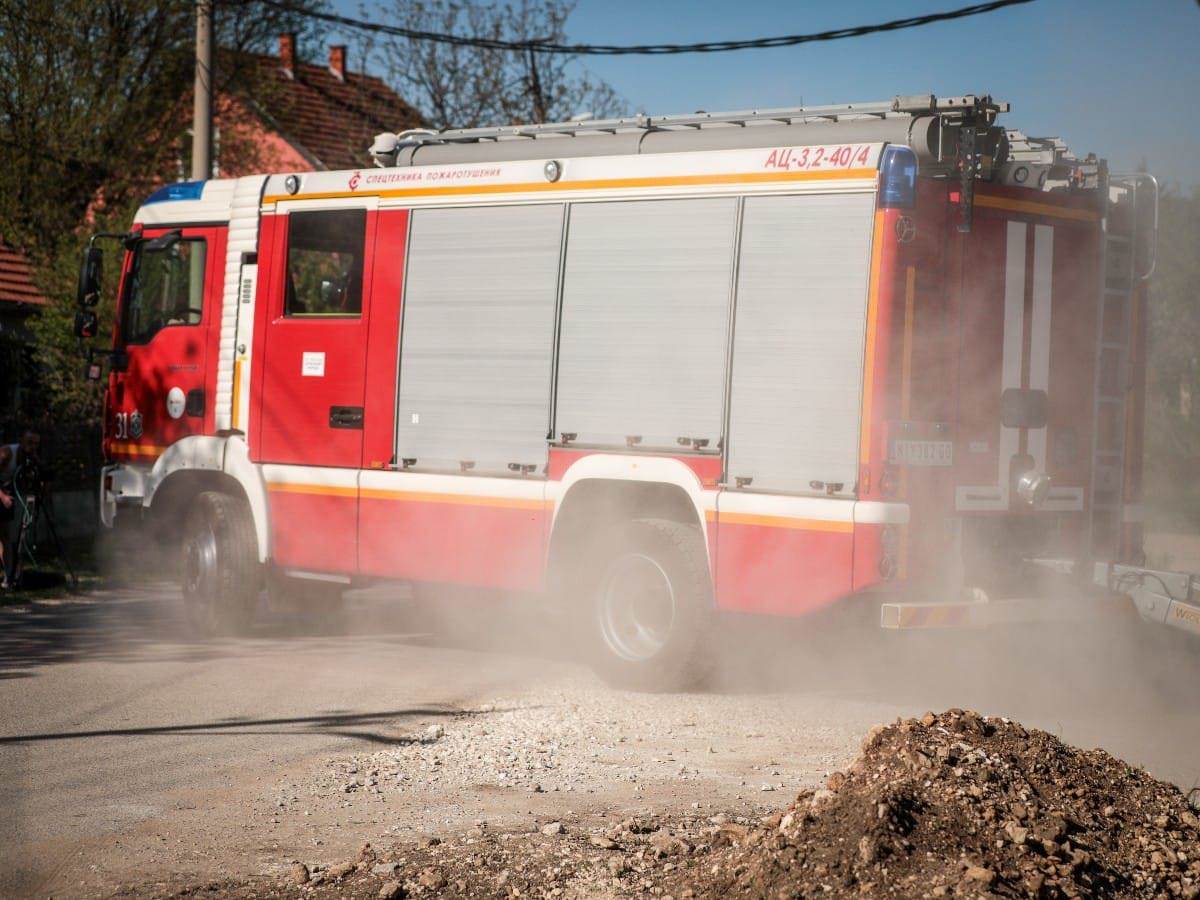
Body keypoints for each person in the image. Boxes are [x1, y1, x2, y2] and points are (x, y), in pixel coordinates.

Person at [0, 427, 41, 588]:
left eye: (36, 443)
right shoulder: (7, 453)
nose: (33, 446)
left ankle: (10, 576)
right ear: (22, 441)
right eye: (30, 442)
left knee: (7, 538)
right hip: (2, 494)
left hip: (7, 493)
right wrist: (2, 496)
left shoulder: (31, 457)